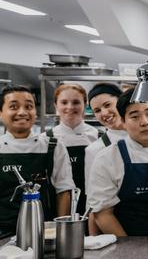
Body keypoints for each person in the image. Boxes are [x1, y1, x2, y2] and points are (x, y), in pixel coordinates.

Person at [87, 89, 148, 236]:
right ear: (123, 121)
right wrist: (129, 249)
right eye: (134, 116)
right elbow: (103, 214)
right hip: (131, 239)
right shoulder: (108, 158)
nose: (145, 122)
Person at [0, 85, 74, 235]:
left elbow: (64, 191)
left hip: (42, 231)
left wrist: (57, 232)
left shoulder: (53, 146)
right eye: (13, 106)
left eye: (29, 106)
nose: (22, 112)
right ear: (1, 113)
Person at [83, 83, 128, 235]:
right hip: (112, 225)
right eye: (97, 110)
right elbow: (93, 203)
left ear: (121, 101)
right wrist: (93, 239)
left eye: (108, 105)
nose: (104, 113)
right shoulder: (94, 150)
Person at [48, 84, 98, 216]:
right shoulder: (46, 140)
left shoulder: (99, 137)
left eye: (76, 102)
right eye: (64, 102)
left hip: (92, 207)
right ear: (55, 105)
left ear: (85, 104)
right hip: (57, 207)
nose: (70, 107)